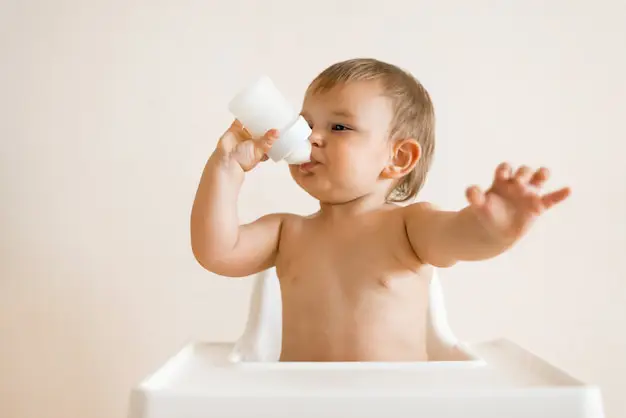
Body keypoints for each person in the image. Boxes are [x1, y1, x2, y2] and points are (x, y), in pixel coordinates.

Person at [190, 58, 571, 362]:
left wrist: (493, 228)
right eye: (305, 125)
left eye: (339, 127)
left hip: (394, 403)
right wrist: (226, 168)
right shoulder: (286, 232)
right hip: (304, 404)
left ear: (398, 157)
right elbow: (218, 252)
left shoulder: (409, 225)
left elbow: (459, 238)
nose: (312, 137)